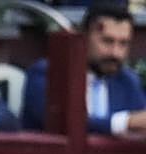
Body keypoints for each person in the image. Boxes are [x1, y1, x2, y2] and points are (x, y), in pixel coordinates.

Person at [23, 3, 146, 136]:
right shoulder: (48, 74)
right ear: (83, 37)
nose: (115, 53)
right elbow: (65, 125)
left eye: (123, 43)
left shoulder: (127, 82)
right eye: (107, 41)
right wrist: (125, 123)